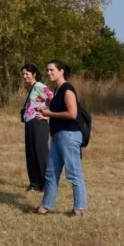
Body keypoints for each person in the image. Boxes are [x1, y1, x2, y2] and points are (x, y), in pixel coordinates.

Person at [35, 60, 88, 216]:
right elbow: (59, 114)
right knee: (51, 172)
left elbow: (72, 114)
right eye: (47, 70)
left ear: (61, 71)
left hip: (69, 135)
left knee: (73, 172)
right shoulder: (57, 90)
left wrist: (48, 114)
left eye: (52, 70)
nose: (49, 73)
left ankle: (79, 209)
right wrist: (46, 115)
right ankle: (46, 206)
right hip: (58, 134)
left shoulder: (67, 89)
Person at [20, 63, 53, 192]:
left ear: (34, 74)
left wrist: (48, 115)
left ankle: (46, 184)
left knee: (40, 153)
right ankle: (34, 183)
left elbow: (52, 99)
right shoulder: (32, 87)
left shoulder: (39, 86)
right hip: (30, 122)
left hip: (39, 123)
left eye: (27, 74)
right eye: (23, 74)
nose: (24, 76)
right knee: (31, 153)